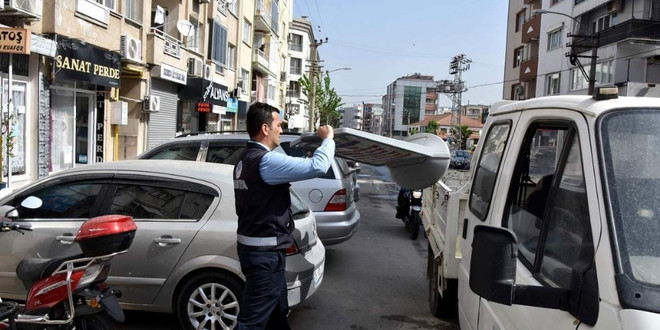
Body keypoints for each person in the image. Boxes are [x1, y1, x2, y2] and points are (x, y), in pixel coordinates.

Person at [233, 102, 335, 329]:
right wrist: (328, 139)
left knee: (277, 313)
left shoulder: (244, 158)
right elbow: (318, 166)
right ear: (265, 128)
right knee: (252, 322)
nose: (282, 129)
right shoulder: (266, 161)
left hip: (260, 251)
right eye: (279, 125)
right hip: (264, 255)